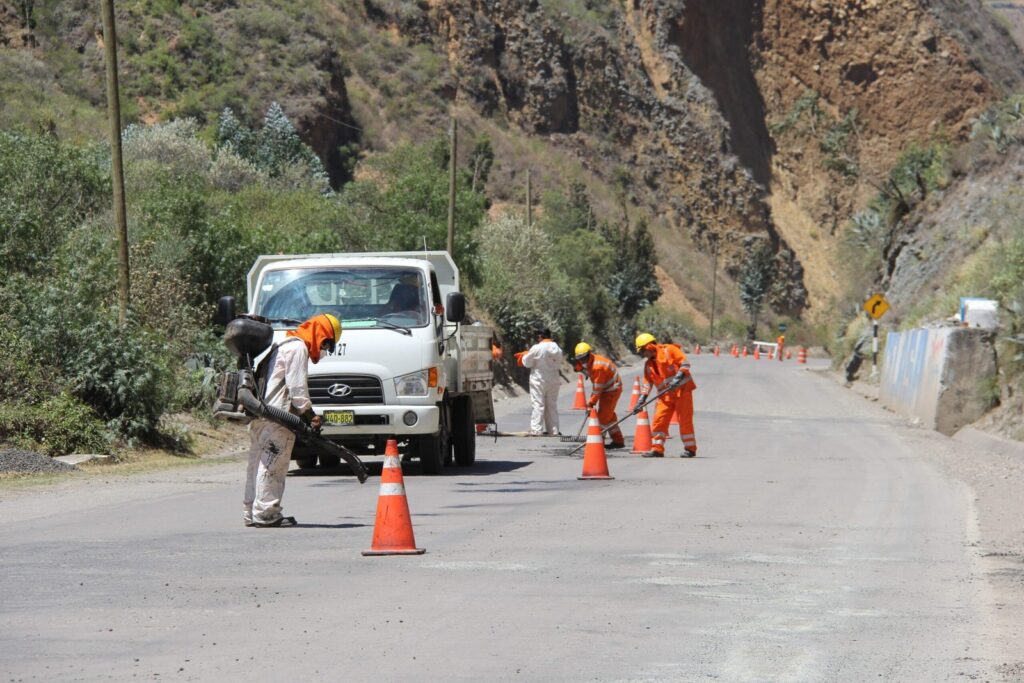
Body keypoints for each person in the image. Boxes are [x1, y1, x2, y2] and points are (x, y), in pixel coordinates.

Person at [244, 313, 341, 528]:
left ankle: (251, 512)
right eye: (327, 345)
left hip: (261, 414)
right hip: (277, 417)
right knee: (273, 465)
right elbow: (297, 390)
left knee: (256, 464)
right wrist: (310, 415)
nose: (325, 351)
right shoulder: (298, 348)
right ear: (320, 335)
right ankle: (267, 513)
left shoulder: (283, 344)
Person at [632, 332, 698, 458]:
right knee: (658, 421)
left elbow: (685, 363)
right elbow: (647, 383)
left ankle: (690, 449)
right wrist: (641, 400)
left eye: (643, 350)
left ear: (650, 347)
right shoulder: (648, 365)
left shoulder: (670, 350)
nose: (643, 354)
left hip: (682, 392)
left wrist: (677, 378)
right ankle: (657, 449)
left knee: (685, 421)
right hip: (665, 396)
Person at [572, 341, 625, 449]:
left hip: (612, 389)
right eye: (580, 359)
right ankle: (618, 440)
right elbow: (586, 371)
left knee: (602, 417)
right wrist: (579, 367)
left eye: (584, 358)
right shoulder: (590, 362)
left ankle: (597, 442)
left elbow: (597, 389)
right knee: (609, 416)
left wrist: (590, 403)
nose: (582, 361)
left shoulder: (598, 366)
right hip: (606, 388)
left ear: (589, 354)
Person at [519, 328, 563, 436]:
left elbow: (527, 363)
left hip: (538, 379)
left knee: (538, 403)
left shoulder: (537, 348)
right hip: (554, 378)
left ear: (540, 336)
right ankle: (553, 430)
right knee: (551, 404)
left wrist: (524, 355)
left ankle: (536, 430)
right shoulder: (557, 349)